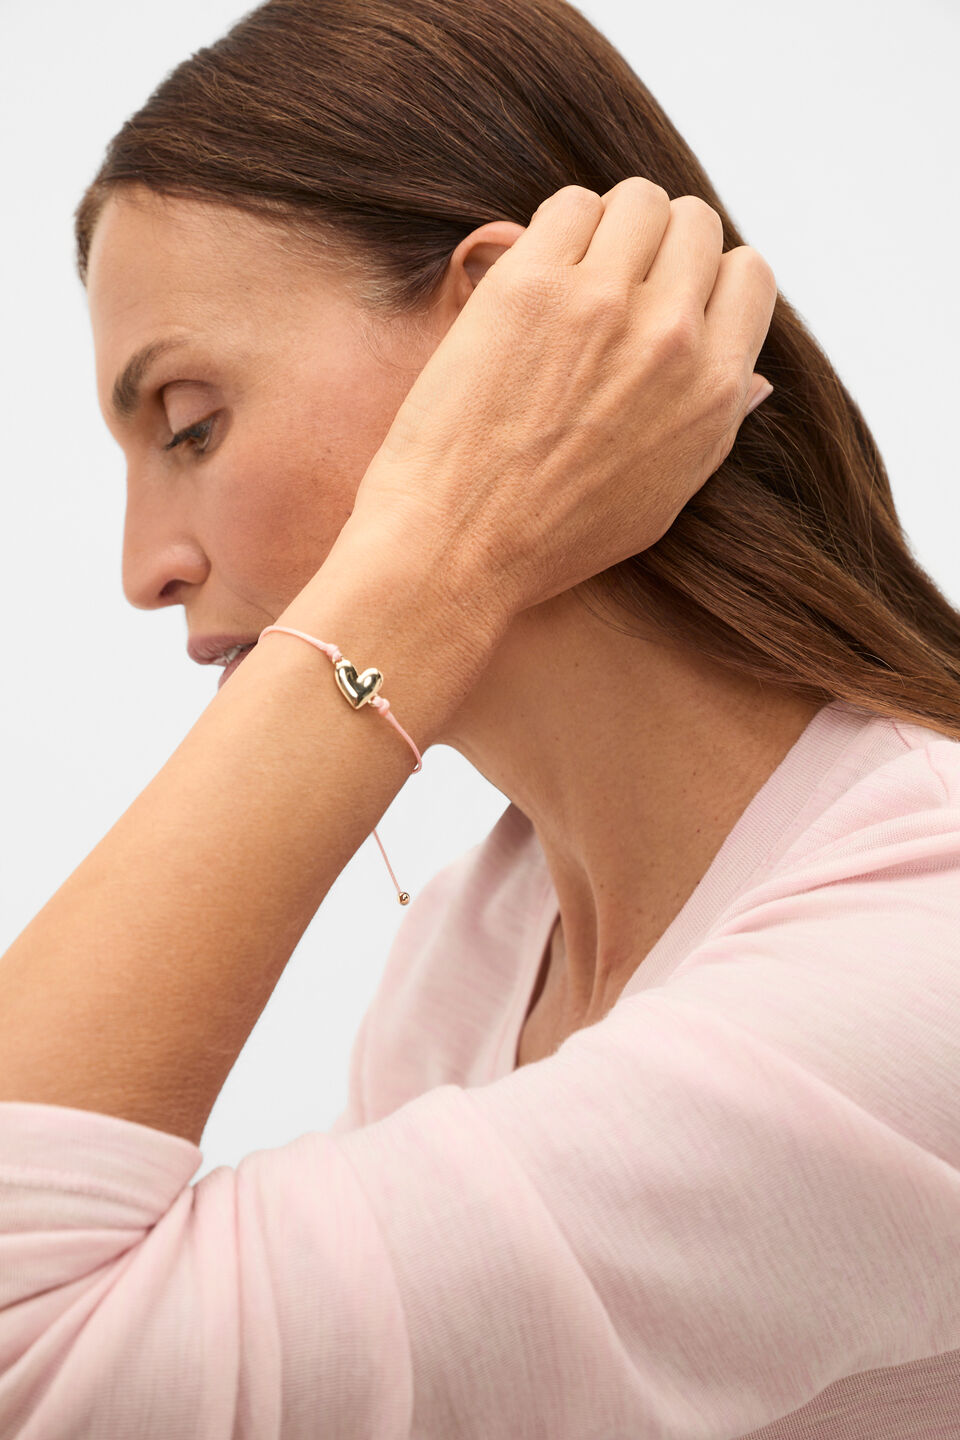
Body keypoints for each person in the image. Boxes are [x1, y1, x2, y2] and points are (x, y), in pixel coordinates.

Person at [1, 1, 959, 1436]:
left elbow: (30, 1352)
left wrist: (438, 557)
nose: (147, 567)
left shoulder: (915, 961)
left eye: (191, 422)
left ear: (505, 320)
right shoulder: (482, 941)